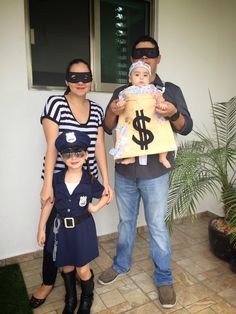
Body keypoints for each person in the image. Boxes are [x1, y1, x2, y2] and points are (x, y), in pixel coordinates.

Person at [98, 35, 193, 309]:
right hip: (126, 173)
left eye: (150, 53)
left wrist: (173, 112)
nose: (144, 57)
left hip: (156, 173)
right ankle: (121, 264)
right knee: (126, 223)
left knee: (157, 227)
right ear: (131, 60)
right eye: (138, 54)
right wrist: (114, 112)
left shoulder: (170, 90)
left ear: (158, 58)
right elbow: (107, 126)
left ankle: (164, 278)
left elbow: (185, 127)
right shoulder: (122, 92)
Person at [30, 58, 113, 309]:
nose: (80, 82)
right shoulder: (55, 103)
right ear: (67, 80)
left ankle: (81, 275)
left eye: (85, 77)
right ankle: (48, 283)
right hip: (58, 182)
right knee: (54, 235)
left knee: (78, 230)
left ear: (91, 80)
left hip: (84, 181)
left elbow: (99, 147)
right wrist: (46, 186)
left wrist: (106, 182)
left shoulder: (97, 109)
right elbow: (52, 147)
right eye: (74, 77)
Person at [37, 130, 108, 313]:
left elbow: (106, 194)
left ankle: (86, 297)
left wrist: (95, 207)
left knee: (83, 269)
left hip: (82, 230)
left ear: (85, 156)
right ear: (61, 156)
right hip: (62, 231)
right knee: (67, 266)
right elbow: (48, 203)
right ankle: (70, 298)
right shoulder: (56, 179)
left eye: (78, 153)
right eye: (68, 154)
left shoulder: (90, 180)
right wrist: (41, 229)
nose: (73, 157)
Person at [114, 60, 173, 168]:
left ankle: (163, 156)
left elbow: (158, 97)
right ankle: (130, 157)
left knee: (163, 133)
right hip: (133, 119)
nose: (141, 78)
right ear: (130, 78)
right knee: (127, 135)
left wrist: (161, 103)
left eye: (145, 75)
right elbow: (121, 100)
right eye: (137, 75)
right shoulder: (126, 91)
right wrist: (120, 103)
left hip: (151, 118)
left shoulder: (152, 89)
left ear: (149, 78)